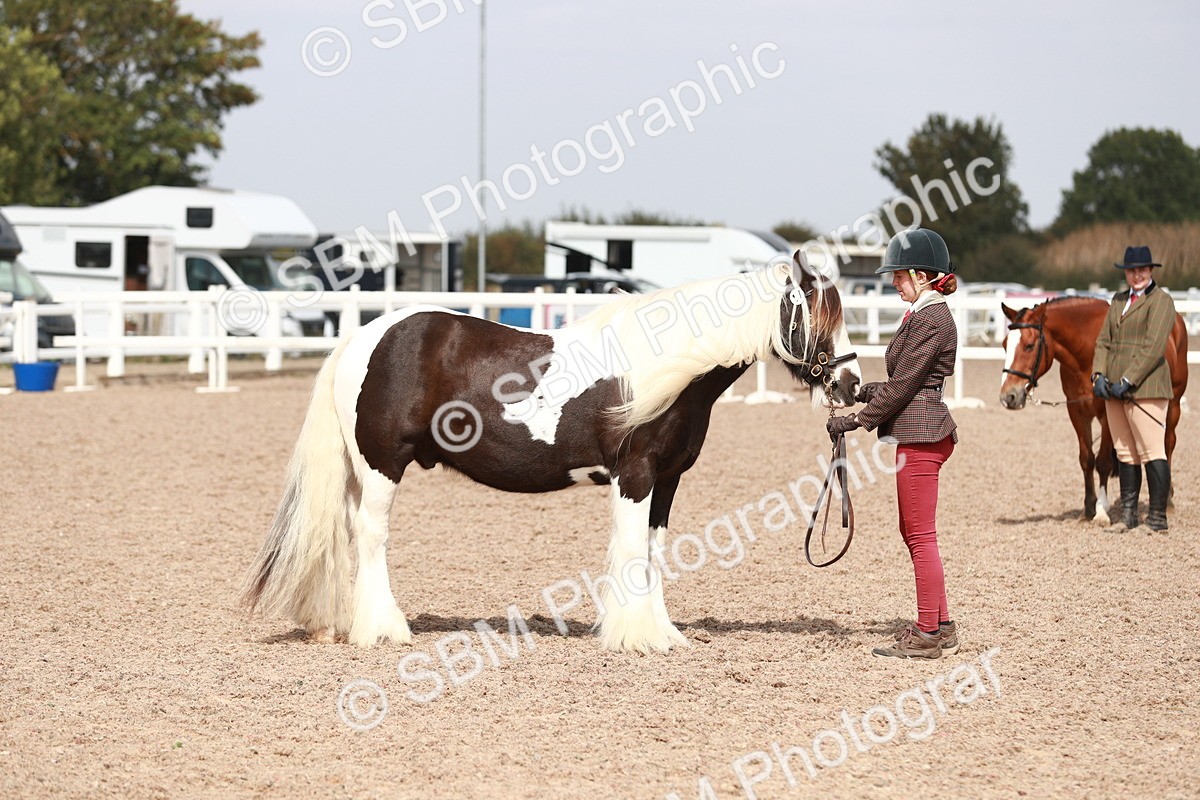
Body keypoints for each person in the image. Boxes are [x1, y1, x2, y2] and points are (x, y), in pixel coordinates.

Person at [826, 226, 960, 660]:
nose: (893, 281)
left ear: (922, 276)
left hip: (922, 434)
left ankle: (927, 632)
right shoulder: (924, 314)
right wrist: (862, 392)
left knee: (921, 535)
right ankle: (939, 624)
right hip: (919, 429)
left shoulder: (931, 319)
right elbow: (906, 383)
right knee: (914, 531)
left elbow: (904, 388)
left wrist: (856, 421)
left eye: (899, 275)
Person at [1091, 246, 1176, 533]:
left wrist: (1128, 379)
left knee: (1152, 449)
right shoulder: (1118, 300)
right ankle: (1128, 516)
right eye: (1131, 270)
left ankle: (1156, 519)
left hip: (1146, 386)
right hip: (1113, 389)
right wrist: (1098, 375)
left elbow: (1153, 347)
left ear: (1151, 270)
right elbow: (1103, 340)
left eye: (1141, 270)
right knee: (1125, 452)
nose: (1136, 275)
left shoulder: (1161, 301)